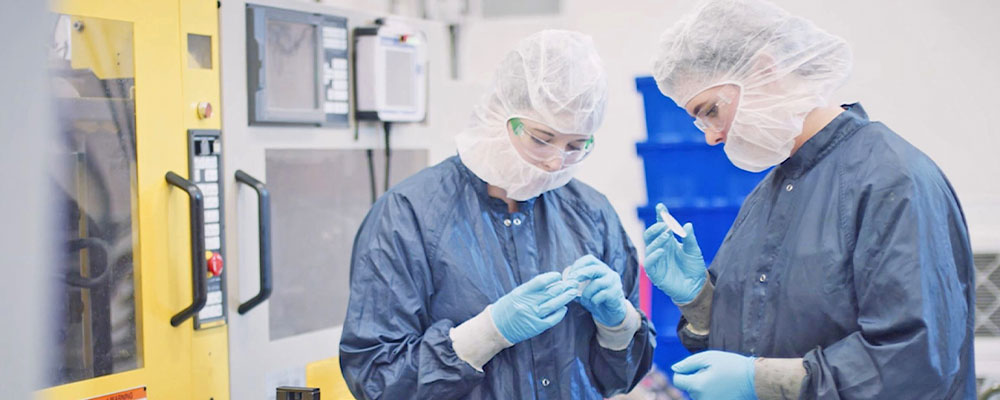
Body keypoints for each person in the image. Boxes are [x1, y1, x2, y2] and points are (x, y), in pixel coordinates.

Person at [643, 0, 976, 399]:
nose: (710, 135)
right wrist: (699, 301)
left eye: (710, 111)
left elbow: (915, 362)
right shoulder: (771, 193)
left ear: (764, 70)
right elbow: (761, 336)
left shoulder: (890, 180)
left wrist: (760, 382)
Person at [339, 30, 655, 399]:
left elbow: (620, 378)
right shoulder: (409, 216)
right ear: (500, 114)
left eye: (575, 146)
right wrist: (483, 336)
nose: (556, 161)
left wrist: (617, 327)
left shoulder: (591, 213)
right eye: (541, 138)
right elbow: (376, 379)